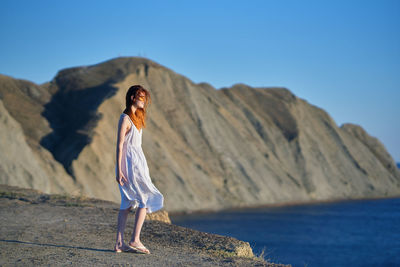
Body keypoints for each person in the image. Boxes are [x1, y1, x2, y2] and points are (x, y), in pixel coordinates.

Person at [113, 85, 164, 254]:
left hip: (138, 161)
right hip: (130, 163)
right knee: (144, 199)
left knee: (128, 203)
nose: (143, 100)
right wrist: (118, 169)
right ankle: (135, 240)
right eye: (140, 97)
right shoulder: (125, 118)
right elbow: (120, 145)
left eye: (144, 97)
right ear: (132, 98)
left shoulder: (138, 117)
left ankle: (120, 243)